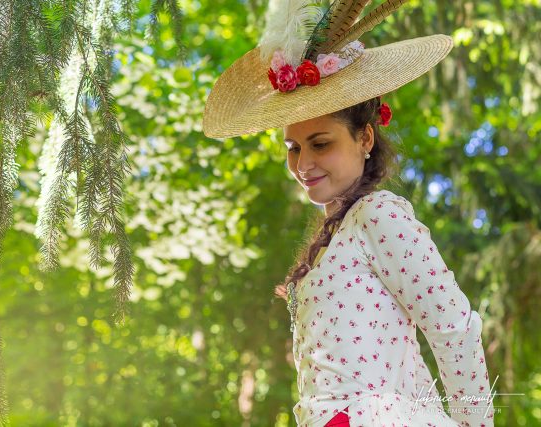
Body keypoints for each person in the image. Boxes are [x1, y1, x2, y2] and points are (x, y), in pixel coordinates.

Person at [202, 1, 496, 426]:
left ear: (365, 138)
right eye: (293, 148)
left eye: (321, 144)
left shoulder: (380, 216)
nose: (303, 164)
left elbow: (454, 328)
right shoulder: (338, 235)